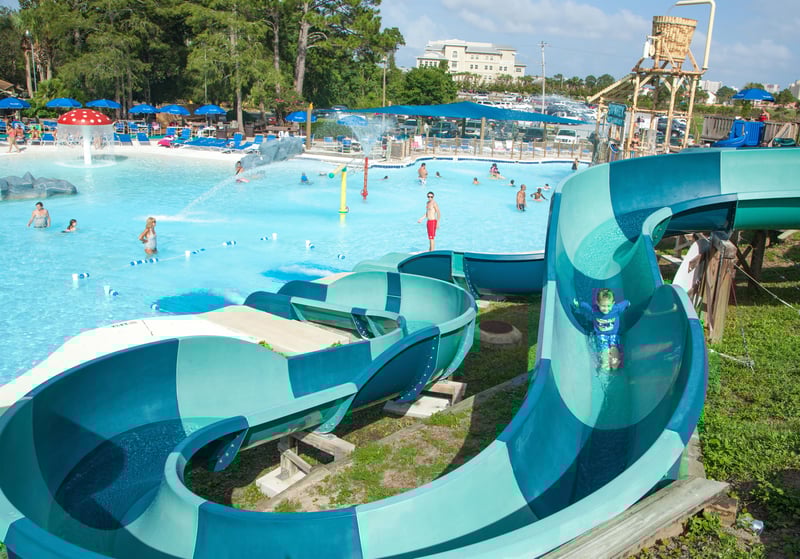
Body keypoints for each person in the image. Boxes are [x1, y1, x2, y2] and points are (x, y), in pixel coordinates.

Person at [572, 288, 631, 371]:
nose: (606, 309)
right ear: (598, 303)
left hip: (614, 335)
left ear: (613, 303)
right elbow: (586, 306)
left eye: (608, 306)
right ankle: (604, 370)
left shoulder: (616, 309)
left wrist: (628, 303)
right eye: (603, 306)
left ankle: (614, 368)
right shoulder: (594, 311)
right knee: (605, 358)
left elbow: (625, 303)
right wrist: (578, 304)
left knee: (615, 361)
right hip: (601, 336)